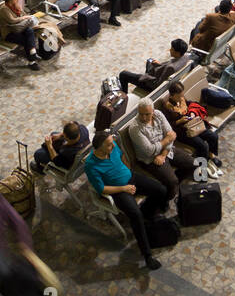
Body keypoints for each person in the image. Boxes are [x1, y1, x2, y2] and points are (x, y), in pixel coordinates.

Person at [84, 129, 168, 271]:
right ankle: (147, 255)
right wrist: (124, 188)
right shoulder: (91, 165)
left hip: (131, 178)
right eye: (110, 144)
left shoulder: (113, 148)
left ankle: (147, 213)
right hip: (119, 190)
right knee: (135, 215)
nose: (114, 146)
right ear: (99, 147)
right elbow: (102, 189)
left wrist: (127, 171)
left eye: (112, 143)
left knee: (161, 190)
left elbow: (123, 157)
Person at [126, 100, 195, 203]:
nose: (144, 117)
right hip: (150, 160)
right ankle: (165, 200)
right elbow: (149, 151)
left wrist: (163, 154)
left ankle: (175, 188)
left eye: (147, 114)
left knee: (193, 163)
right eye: (141, 114)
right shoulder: (135, 128)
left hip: (166, 151)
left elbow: (171, 135)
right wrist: (166, 140)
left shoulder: (158, 114)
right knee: (172, 181)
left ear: (153, 111)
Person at [159, 79, 222, 174]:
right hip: (182, 131)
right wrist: (179, 121)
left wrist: (192, 113)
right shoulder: (167, 107)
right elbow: (167, 126)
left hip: (192, 125)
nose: (181, 97)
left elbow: (190, 104)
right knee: (202, 146)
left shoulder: (181, 98)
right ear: (172, 95)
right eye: (179, 96)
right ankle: (201, 169)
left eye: (182, 95)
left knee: (213, 136)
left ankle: (211, 156)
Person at [118, 38, 190, 96]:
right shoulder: (185, 57)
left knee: (123, 74)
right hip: (159, 73)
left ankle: (124, 96)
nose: (170, 50)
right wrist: (159, 65)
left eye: (172, 49)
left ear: (177, 52)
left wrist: (146, 77)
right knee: (150, 61)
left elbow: (157, 85)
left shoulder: (171, 68)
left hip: (151, 85)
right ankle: (147, 73)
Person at [0, 0, 43, 68]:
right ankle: (32, 59)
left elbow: (25, 15)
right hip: (9, 33)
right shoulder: (4, 9)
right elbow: (12, 21)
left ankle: (32, 56)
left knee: (29, 31)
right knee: (27, 39)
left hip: (19, 28)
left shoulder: (15, 6)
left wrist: (21, 10)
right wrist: (23, 17)